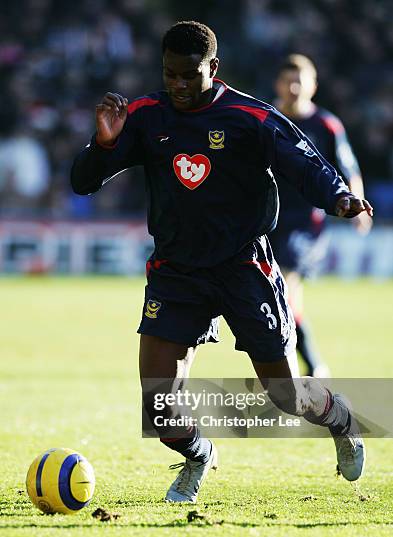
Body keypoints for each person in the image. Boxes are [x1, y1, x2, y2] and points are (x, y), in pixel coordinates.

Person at [71, 21, 373, 503]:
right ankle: (198, 455)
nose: (179, 85)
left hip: (243, 267)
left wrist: (338, 196)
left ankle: (338, 416)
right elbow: (83, 182)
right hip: (176, 271)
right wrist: (104, 145)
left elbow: (302, 159)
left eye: (190, 75)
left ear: (213, 67)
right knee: (158, 409)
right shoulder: (147, 115)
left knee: (285, 396)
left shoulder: (249, 116)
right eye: (171, 74)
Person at [269, 54, 372, 376]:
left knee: (283, 290)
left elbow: (348, 169)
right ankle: (312, 366)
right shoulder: (266, 120)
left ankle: (298, 370)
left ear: (314, 85)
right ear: (279, 85)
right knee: (277, 297)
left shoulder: (325, 125)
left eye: (301, 80)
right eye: (289, 80)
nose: (294, 87)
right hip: (266, 221)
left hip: (306, 224)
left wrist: (356, 204)